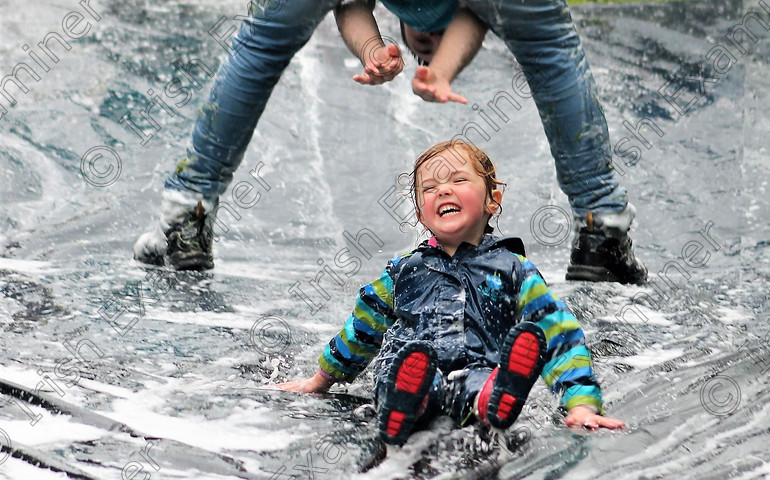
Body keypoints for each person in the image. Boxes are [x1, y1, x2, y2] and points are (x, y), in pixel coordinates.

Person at [133, 0, 647, 284]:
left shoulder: (415, 23)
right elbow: (473, 16)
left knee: (263, 41)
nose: (424, 49)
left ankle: (188, 213)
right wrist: (403, 59)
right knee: (549, 46)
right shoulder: (463, 19)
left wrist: (377, 50)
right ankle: (599, 225)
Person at [276, 140, 625, 446]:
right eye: (429, 189)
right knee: (404, 375)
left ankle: (494, 400)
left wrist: (581, 404)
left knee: (479, 382)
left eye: (459, 180)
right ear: (420, 215)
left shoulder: (514, 269)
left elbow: (557, 332)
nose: (443, 190)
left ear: (493, 201)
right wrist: (320, 380)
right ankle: (404, 406)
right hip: (408, 370)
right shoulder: (403, 270)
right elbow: (363, 327)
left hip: (476, 371)